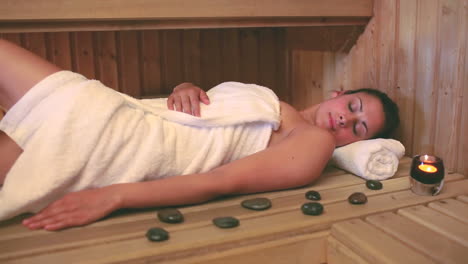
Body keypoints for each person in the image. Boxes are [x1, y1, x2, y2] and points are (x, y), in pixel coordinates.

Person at [0, 39, 399, 230]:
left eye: (359, 128)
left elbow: (220, 180)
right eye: (353, 107)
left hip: (120, 145)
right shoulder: (278, 106)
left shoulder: (314, 142)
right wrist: (184, 86)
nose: (345, 122)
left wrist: (115, 195)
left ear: (356, 143)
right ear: (339, 94)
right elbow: (210, 115)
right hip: (119, 113)